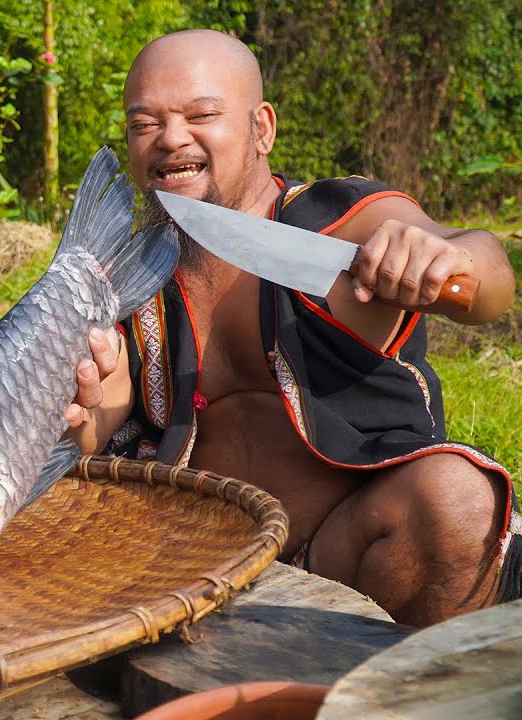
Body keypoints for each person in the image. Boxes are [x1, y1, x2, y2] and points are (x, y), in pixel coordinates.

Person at [64, 29, 519, 628]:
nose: (171, 138)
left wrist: (444, 261)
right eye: (144, 124)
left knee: (455, 502)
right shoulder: (131, 268)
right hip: (187, 563)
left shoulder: (335, 223)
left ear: (262, 130)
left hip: (350, 554)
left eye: (201, 115)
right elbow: (99, 413)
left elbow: (483, 273)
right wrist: (76, 412)